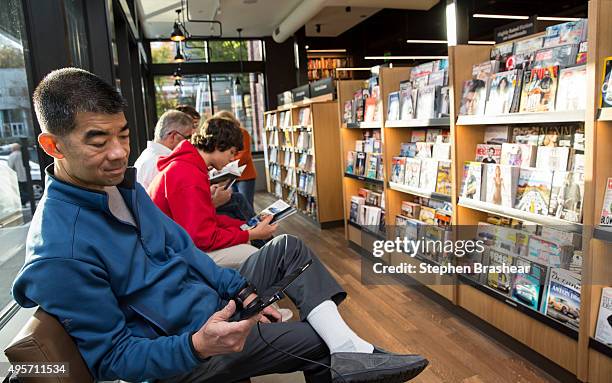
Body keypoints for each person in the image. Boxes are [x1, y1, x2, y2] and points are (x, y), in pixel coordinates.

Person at [12, 67, 428, 383]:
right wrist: (197, 344)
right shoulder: (60, 251)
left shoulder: (122, 186)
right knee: (314, 338)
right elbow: (110, 360)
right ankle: (347, 353)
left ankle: (350, 353)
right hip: (184, 350)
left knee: (288, 249)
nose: (120, 152)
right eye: (98, 141)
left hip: (212, 308)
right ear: (52, 145)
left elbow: (185, 248)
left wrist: (243, 292)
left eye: (123, 134)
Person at [148, 117, 274, 268]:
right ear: (216, 145)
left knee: (248, 246)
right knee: (256, 257)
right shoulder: (188, 174)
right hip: (174, 254)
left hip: (175, 245)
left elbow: (207, 221)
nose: (233, 159)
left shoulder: (188, 167)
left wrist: (247, 226)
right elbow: (202, 238)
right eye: (231, 152)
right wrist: (250, 233)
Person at [134, 110, 195, 190]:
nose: (190, 143)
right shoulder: (163, 163)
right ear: (173, 136)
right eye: (188, 137)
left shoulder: (147, 155)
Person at [213, 110, 257, 208]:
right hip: (229, 176)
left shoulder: (242, 132)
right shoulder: (222, 135)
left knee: (247, 204)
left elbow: (244, 154)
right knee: (234, 204)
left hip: (244, 176)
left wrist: (226, 165)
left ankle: (252, 223)